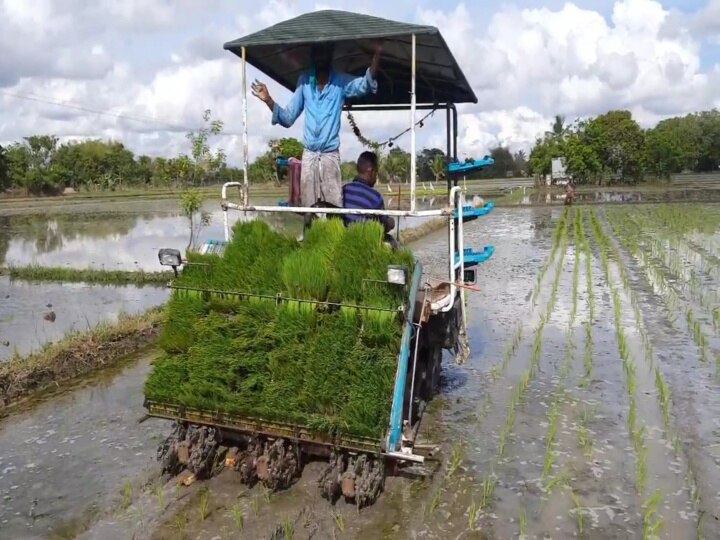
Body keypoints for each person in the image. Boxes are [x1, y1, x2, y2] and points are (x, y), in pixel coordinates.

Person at [251, 43, 382, 209]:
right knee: (308, 207)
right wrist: (268, 100)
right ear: (312, 59)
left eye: (324, 55)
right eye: (317, 55)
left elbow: (364, 85)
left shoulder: (340, 82)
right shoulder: (304, 82)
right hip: (310, 155)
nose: (321, 59)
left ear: (330, 58)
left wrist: (377, 56)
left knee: (334, 206)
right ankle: (310, 233)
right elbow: (287, 118)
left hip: (330, 155)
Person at [343, 151, 396, 245]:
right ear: (370, 171)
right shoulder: (375, 196)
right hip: (364, 240)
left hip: (344, 235)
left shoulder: (344, 190)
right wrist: (391, 222)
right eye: (376, 172)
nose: (376, 177)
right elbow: (384, 225)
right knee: (392, 242)